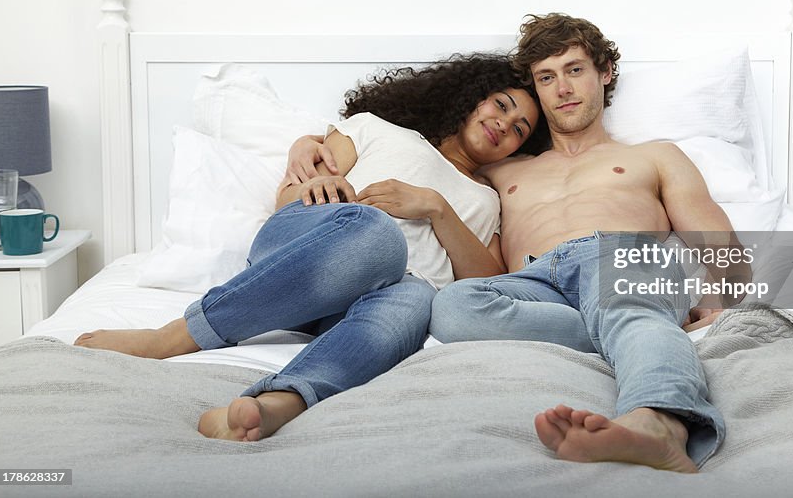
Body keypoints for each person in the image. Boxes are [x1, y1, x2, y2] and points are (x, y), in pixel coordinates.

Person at [74, 53, 545, 442]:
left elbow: (483, 285)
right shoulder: (375, 128)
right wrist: (318, 187)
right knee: (376, 233)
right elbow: (285, 198)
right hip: (304, 254)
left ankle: (279, 403)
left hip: (365, 308)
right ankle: (174, 336)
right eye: (501, 106)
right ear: (473, 97)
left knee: (419, 294)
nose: (504, 124)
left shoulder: (486, 199)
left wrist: (435, 207)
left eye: (520, 128)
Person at [423, 15, 739, 472]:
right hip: (535, 278)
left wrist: (716, 298)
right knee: (454, 305)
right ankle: (628, 334)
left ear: (605, 72)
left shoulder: (654, 156)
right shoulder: (501, 170)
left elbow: (718, 241)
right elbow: (403, 148)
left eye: (574, 70)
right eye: (546, 77)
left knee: (625, 306)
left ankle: (661, 422)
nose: (563, 88)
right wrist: (313, 145)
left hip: (622, 256)